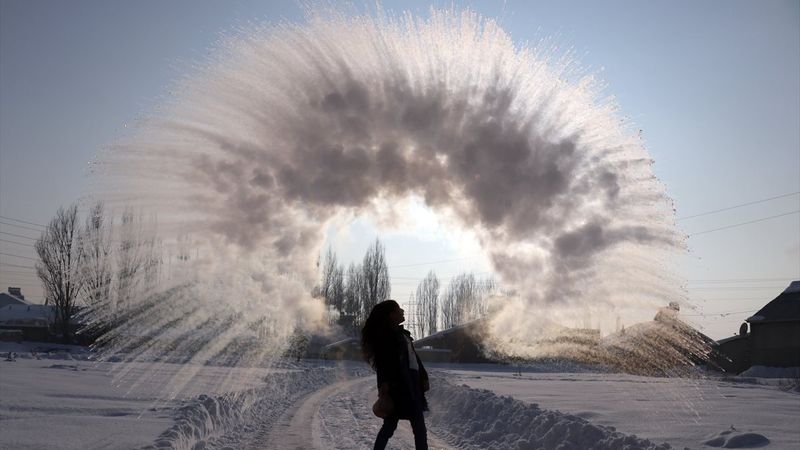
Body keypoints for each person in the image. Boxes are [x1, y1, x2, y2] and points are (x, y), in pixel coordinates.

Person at [361, 299, 430, 450]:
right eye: (399, 309)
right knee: (392, 427)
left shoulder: (402, 335)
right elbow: (383, 363)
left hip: (412, 384)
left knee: (417, 427)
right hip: (399, 386)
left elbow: (414, 358)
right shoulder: (388, 337)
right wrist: (383, 385)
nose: (403, 311)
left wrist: (423, 376)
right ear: (392, 315)